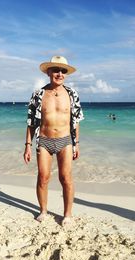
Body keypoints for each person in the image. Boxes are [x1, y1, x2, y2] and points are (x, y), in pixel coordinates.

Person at [23, 56, 84, 226]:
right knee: (43, 177)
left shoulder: (72, 94)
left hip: (65, 140)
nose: (59, 73)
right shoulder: (38, 95)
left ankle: (67, 214)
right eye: (56, 70)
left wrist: (77, 143)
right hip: (44, 140)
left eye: (63, 71)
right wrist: (28, 145)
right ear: (48, 72)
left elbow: (77, 120)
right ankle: (43, 211)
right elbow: (30, 122)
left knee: (66, 178)